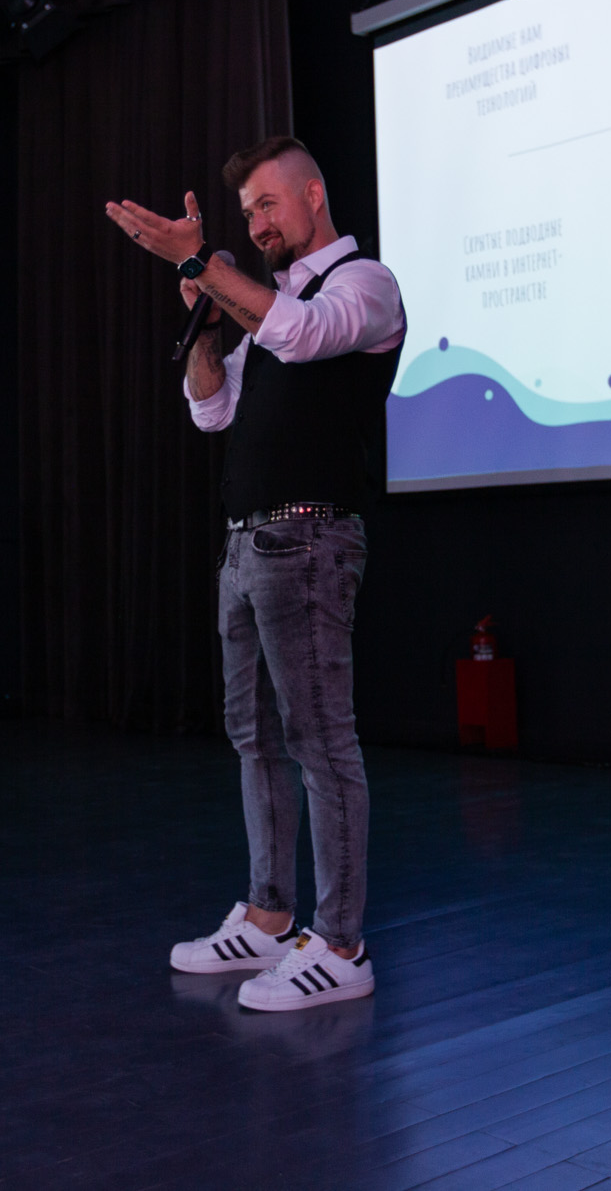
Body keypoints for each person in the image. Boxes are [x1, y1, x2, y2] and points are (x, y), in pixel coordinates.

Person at [105, 136, 406, 1012]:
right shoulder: (265, 304)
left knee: (321, 740)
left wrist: (202, 260)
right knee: (254, 736)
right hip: (247, 547)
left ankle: (341, 945)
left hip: (311, 541)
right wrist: (204, 311)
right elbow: (212, 409)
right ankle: (270, 916)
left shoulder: (365, 285)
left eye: (269, 204)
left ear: (314, 195)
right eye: (247, 214)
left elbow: (303, 336)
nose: (259, 223)